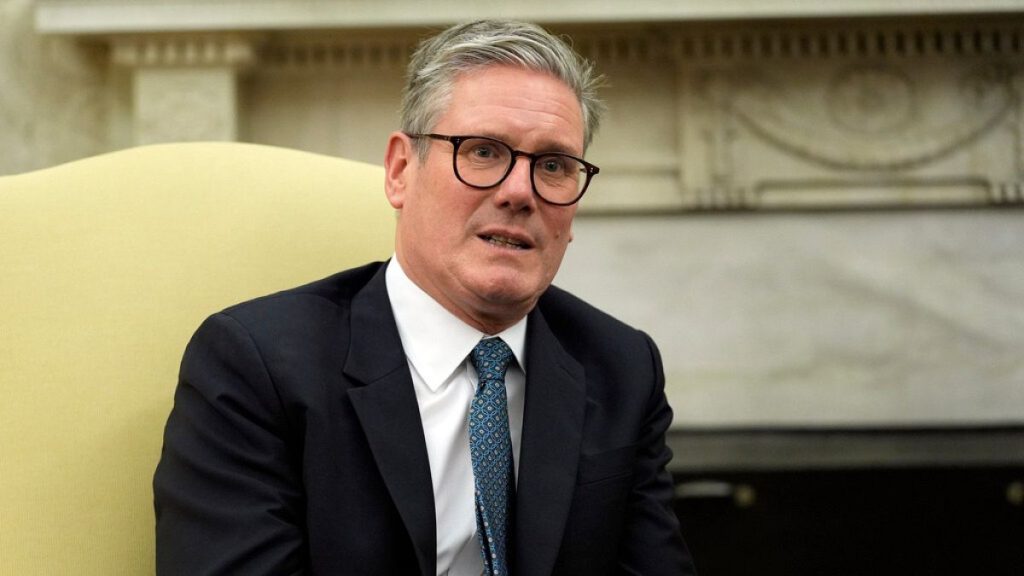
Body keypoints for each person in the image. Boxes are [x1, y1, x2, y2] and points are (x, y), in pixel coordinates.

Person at [154, 20, 696, 576]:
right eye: (483, 151)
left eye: (553, 166)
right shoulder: (256, 365)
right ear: (400, 171)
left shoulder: (622, 367)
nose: (519, 192)